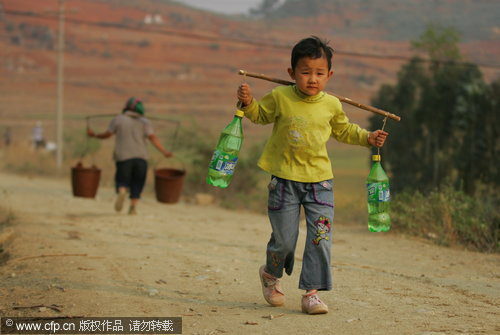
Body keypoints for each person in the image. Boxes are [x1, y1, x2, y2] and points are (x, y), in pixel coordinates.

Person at [236, 36, 388, 314]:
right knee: (284, 240)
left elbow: (345, 131)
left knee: (320, 237)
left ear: (329, 75)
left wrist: (369, 137)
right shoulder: (280, 97)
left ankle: (312, 293)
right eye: (305, 73)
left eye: (319, 73)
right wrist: (248, 103)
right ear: (291, 73)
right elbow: (260, 116)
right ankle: (271, 275)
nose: (312, 79)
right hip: (284, 180)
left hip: (320, 182)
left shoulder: (331, 104)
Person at [87, 97, 173, 215]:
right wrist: (164, 152)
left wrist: (94, 135)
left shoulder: (118, 119)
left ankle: (122, 191)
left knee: (122, 179)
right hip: (141, 157)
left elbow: (107, 135)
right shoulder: (145, 122)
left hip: (123, 156)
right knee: (138, 182)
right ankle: (133, 206)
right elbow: (153, 138)